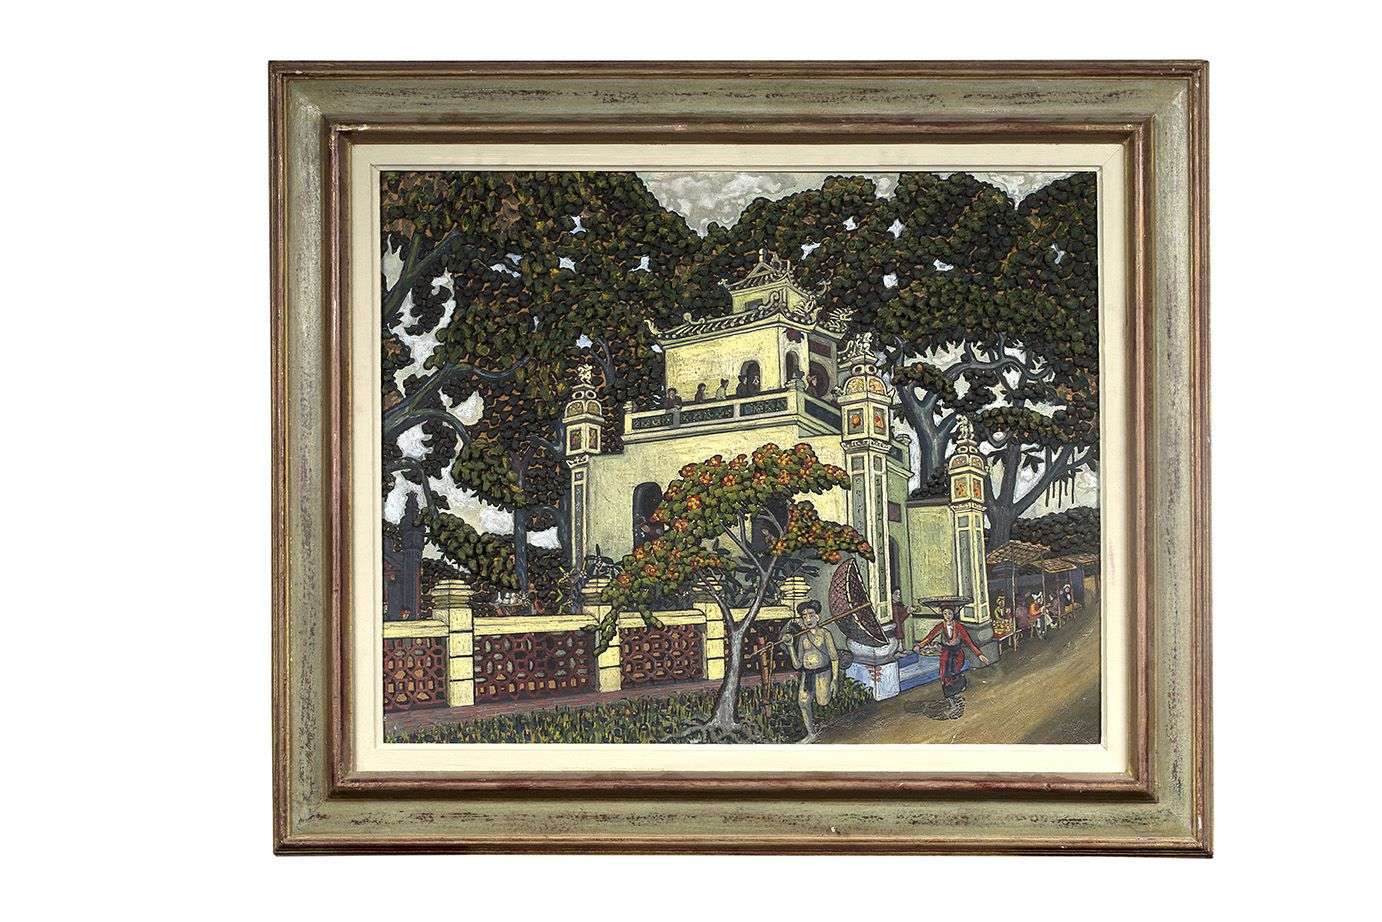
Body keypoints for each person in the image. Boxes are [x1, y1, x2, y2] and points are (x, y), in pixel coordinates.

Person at [915, 605, 990, 719]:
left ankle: (958, 694)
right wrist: (920, 645)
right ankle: (952, 703)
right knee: (945, 677)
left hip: (957, 655)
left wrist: (979, 654)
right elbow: (930, 637)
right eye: (945, 613)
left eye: (949, 613)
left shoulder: (958, 626)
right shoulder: (940, 626)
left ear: (953, 613)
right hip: (946, 655)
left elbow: (968, 641)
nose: (947, 616)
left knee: (955, 676)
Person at [785, 599, 838, 743]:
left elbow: (834, 658)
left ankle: (823, 724)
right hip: (807, 675)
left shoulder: (825, 634)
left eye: (811, 615)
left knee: (823, 702)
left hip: (823, 673)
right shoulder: (802, 637)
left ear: (817, 617)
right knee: (803, 703)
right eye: (804, 616)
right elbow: (797, 665)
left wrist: (834, 680)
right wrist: (790, 646)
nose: (808, 619)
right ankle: (811, 734)